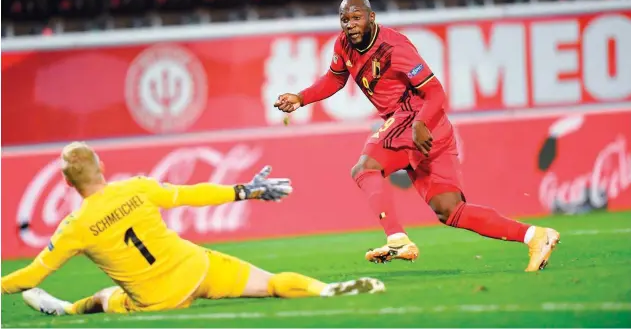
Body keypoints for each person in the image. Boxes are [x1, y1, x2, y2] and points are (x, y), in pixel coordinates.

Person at [274, 0, 560, 272]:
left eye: (356, 17)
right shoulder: (344, 45)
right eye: (344, 19)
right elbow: (335, 78)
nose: (350, 24)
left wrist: (420, 122)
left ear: (372, 18)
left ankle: (397, 239)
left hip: (415, 118)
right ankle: (534, 235)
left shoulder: (394, 48)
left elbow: (435, 92)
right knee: (450, 210)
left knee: (364, 168)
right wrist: (300, 98)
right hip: (429, 129)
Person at [1, 142, 384, 316]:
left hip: (154, 299)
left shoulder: (74, 228)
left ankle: (65, 310)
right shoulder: (136, 187)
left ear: (68, 185)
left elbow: (32, 274)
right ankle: (324, 289)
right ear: (100, 167)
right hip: (196, 267)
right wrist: (244, 190)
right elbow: (190, 194)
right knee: (269, 283)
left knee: (103, 299)